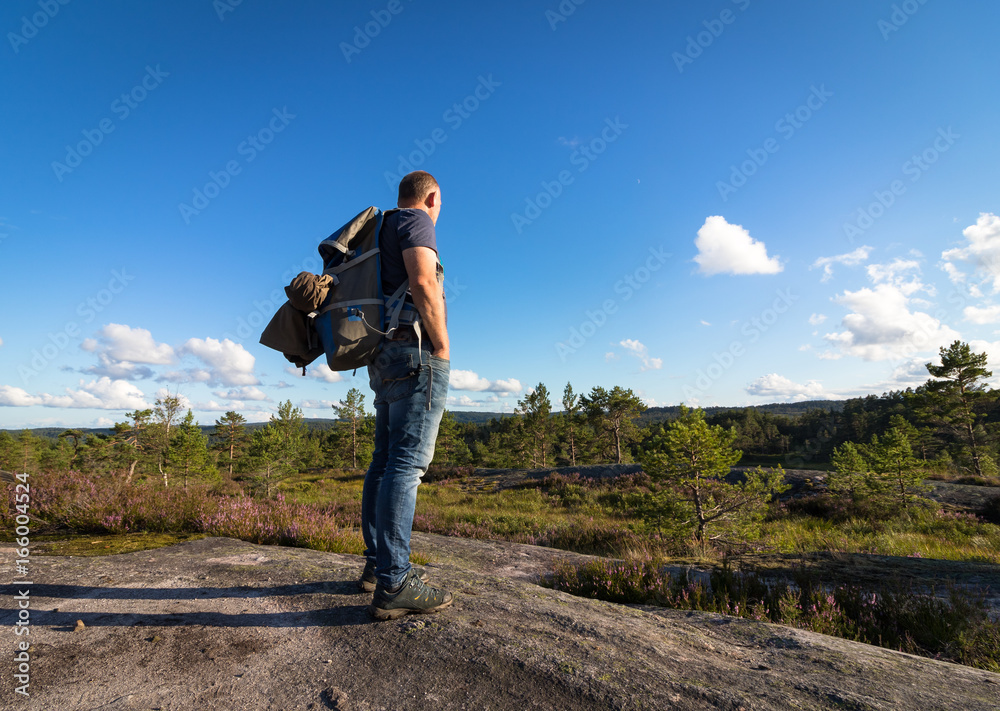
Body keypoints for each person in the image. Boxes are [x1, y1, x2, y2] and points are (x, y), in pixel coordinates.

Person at [358, 170, 452, 620]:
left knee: (383, 461)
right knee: (406, 465)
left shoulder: (378, 230)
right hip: (415, 353)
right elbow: (423, 282)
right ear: (431, 198)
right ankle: (395, 582)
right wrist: (442, 345)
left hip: (382, 355)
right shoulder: (416, 220)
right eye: (440, 203)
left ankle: (377, 567)